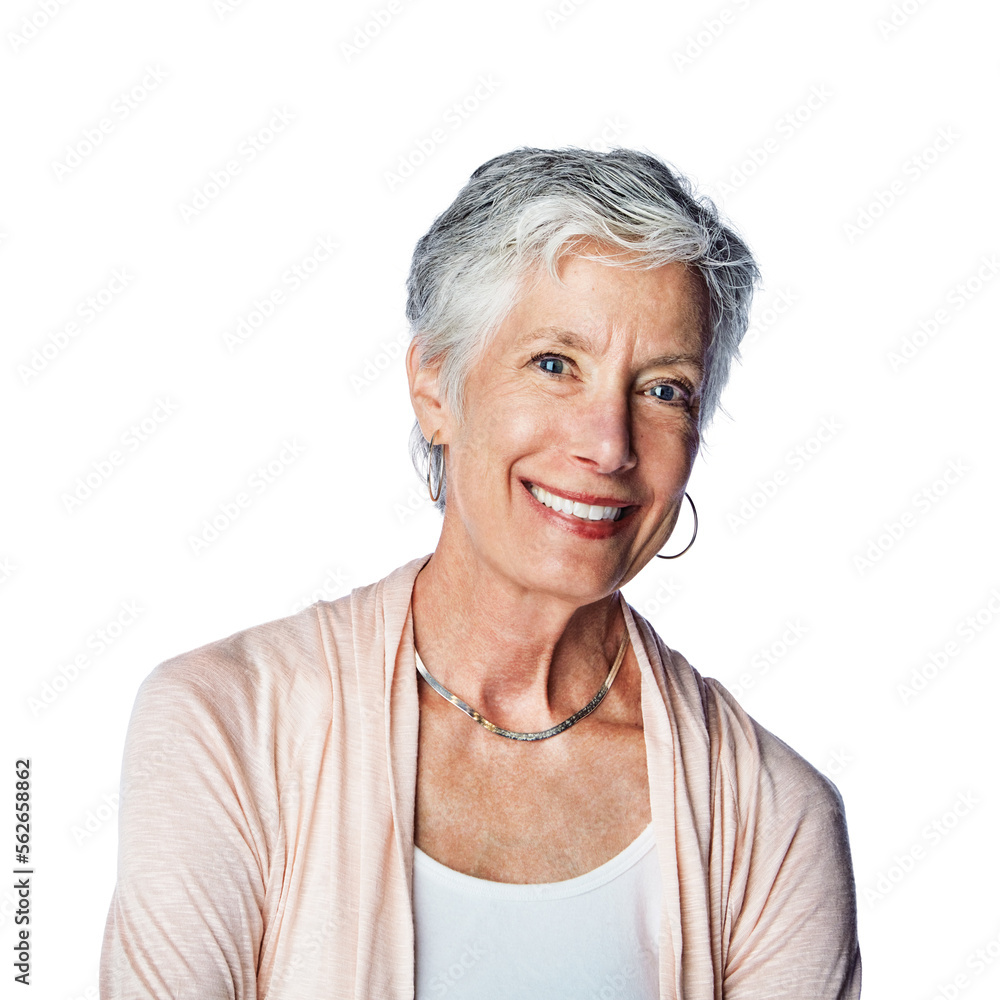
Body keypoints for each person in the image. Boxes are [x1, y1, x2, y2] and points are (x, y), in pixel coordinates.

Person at [99, 147, 862, 999]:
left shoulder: (775, 817)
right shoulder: (228, 724)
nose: (607, 445)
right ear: (435, 385)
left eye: (662, 390)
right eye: (554, 364)